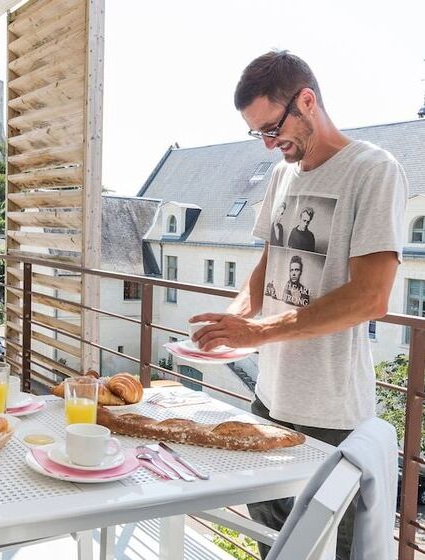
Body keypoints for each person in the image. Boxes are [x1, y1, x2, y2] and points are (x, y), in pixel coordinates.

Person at [189, 50, 407, 559]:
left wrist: (259, 333)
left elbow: (370, 297)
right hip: (270, 400)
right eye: (257, 134)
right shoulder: (283, 175)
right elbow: (269, 262)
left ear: (307, 100)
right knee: (277, 547)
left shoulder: (373, 171)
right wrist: (239, 315)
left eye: (272, 128)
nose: (269, 144)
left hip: (331, 414)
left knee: (334, 550)